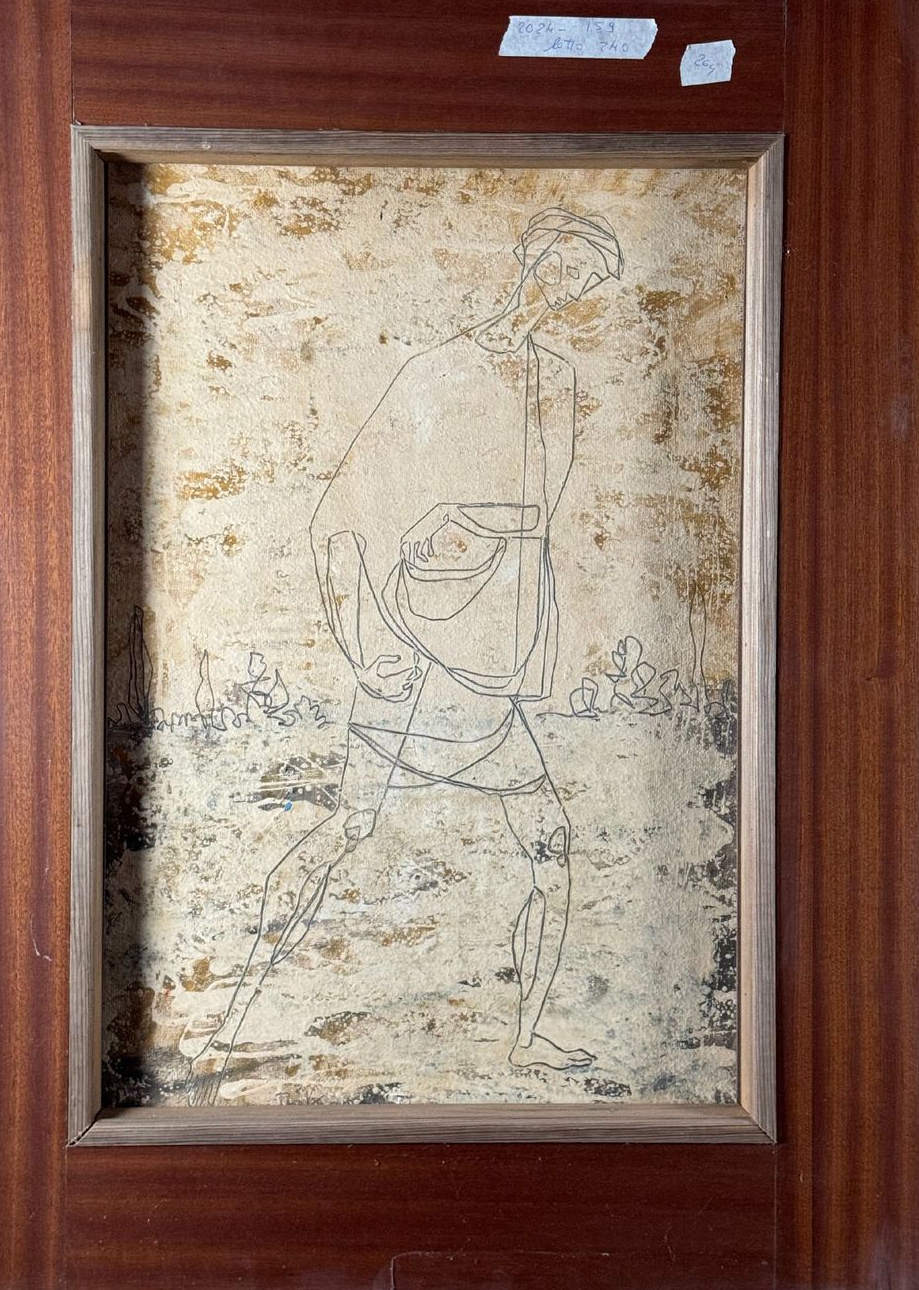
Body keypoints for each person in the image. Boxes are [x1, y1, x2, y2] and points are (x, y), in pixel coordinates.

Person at [181, 207, 623, 1101]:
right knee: (348, 831)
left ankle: (526, 1039)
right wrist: (361, 644)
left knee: (549, 845)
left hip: (490, 664)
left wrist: (475, 538)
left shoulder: (556, 377)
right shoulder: (436, 370)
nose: (567, 288)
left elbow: (538, 519)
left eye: (584, 280)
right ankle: (225, 1024)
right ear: (529, 254)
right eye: (562, 265)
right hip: (417, 656)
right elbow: (341, 518)